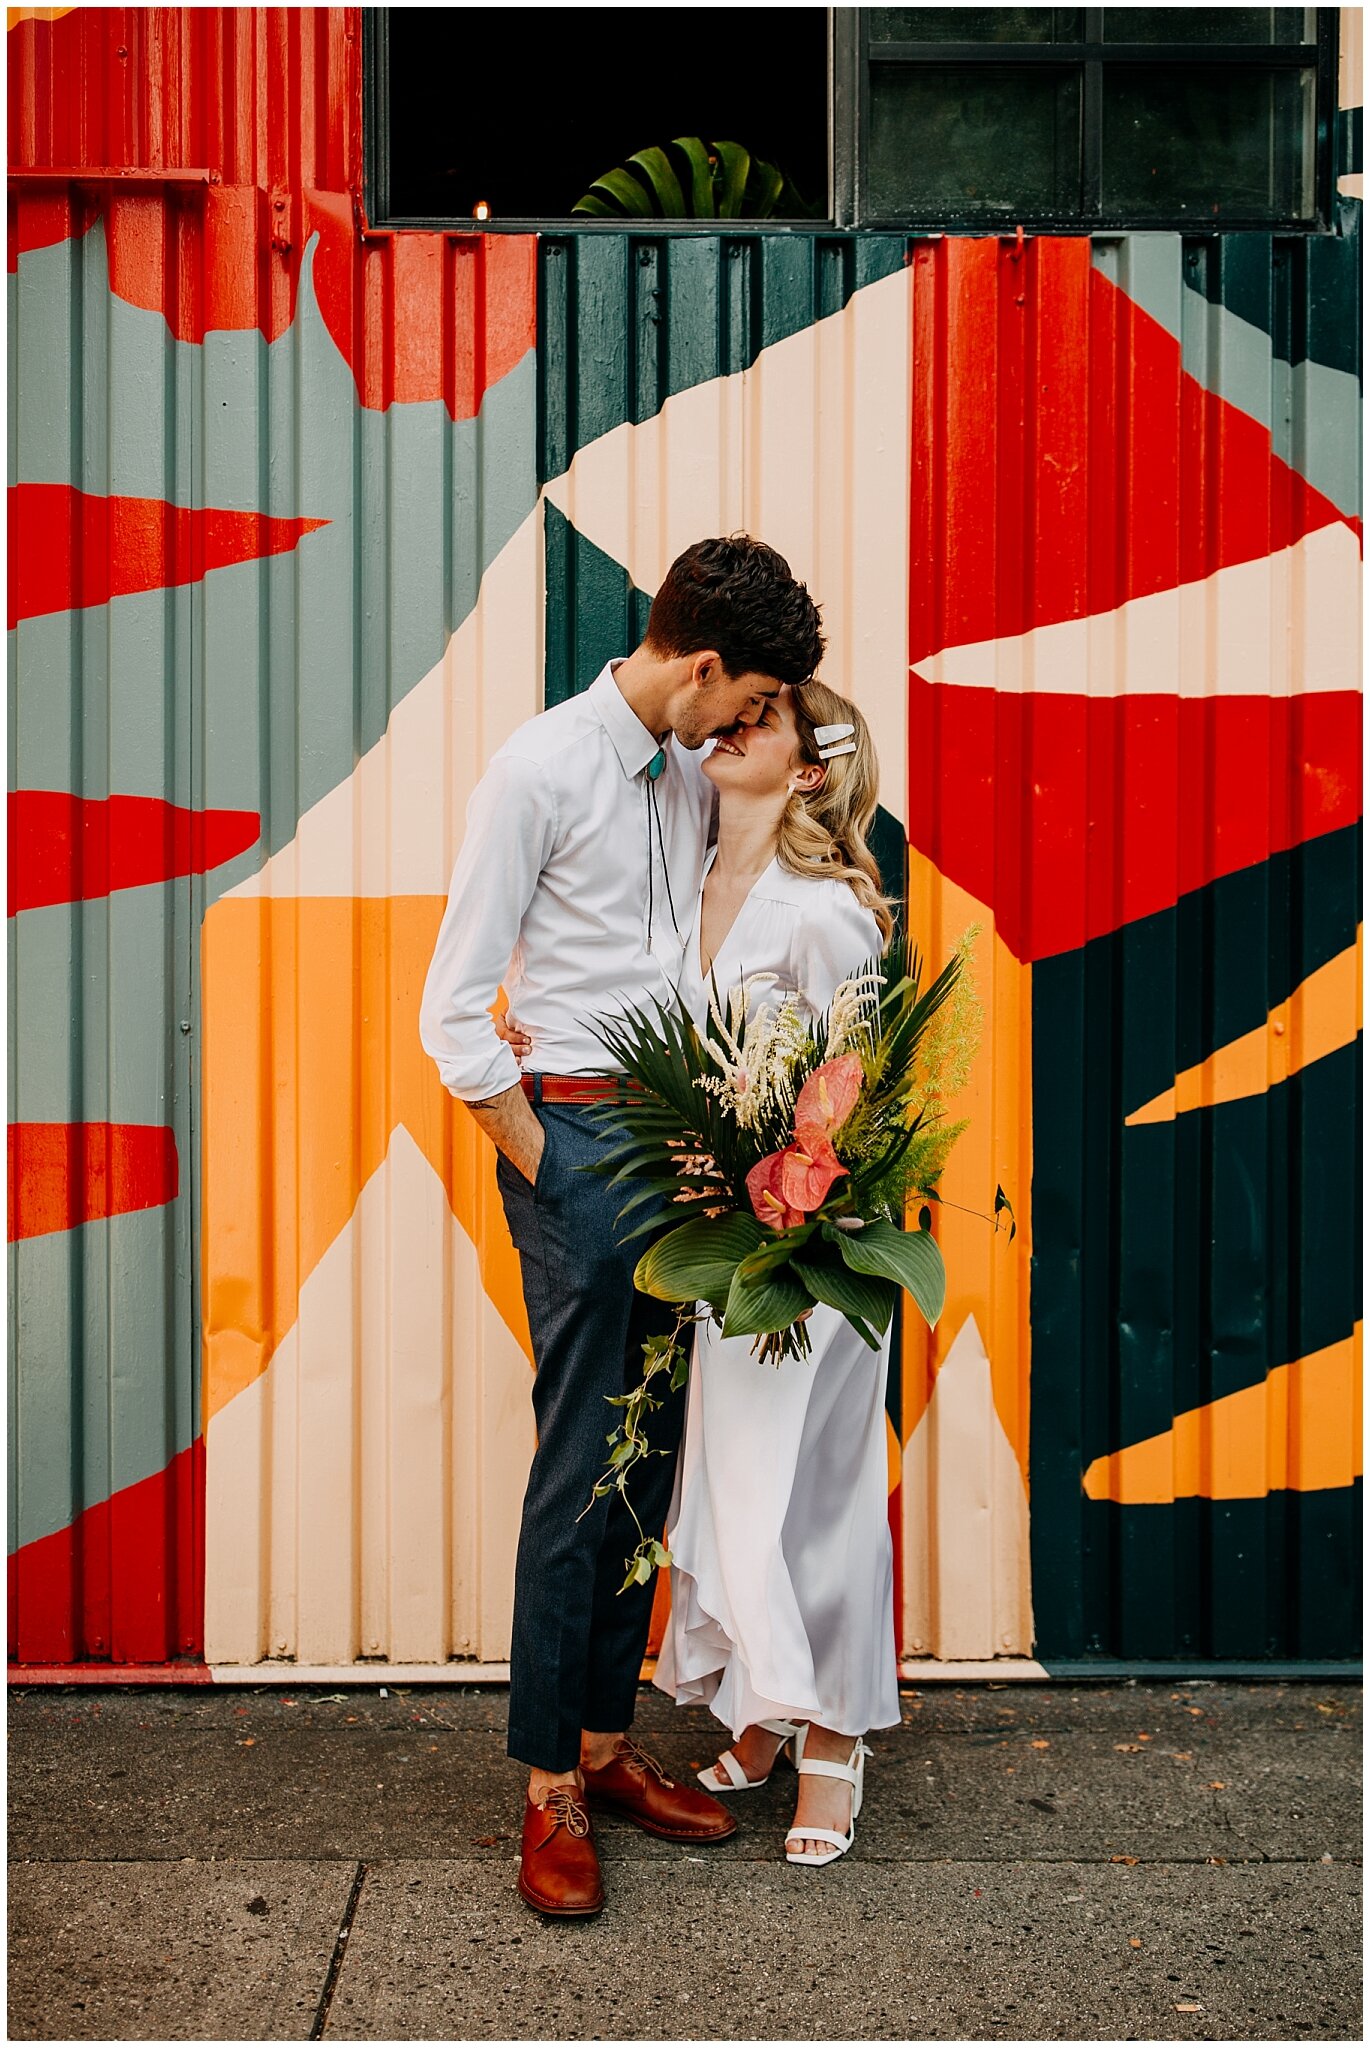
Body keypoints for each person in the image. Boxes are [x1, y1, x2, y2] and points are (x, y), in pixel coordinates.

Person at [419, 534, 825, 1918]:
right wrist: (546, 1166)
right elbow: (451, 1011)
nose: (753, 726)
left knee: (642, 1467)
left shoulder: (683, 775)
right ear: (701, 664)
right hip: (580, 1137)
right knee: (581, 1463)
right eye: (750, 698)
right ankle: (543, 1790)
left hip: (678, 1147)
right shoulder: (540, 771)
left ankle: (601, 1752)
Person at [502, 681, 901, 1870]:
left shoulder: (824, 911)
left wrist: (780, 1187)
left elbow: (849, 1091)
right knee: (729, 1492)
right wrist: (535, 1034)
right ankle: (764, 1712)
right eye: (735, 712)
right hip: (714, 1254)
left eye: (761, 721)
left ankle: (836, 1735)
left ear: (809, 770)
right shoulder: (686, 882)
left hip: (799, 1255)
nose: (727, 730)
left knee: (814, 1493)